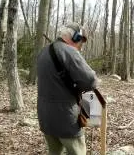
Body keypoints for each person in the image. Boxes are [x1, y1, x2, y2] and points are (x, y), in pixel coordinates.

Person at [37, 22, 97, 155]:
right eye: (80, 39)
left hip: (46, 116)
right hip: (65, 117)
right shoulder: (69, 51)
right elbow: (90, 81)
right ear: (74, 37)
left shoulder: (44, 51)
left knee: (54, 152)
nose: (80, 44)